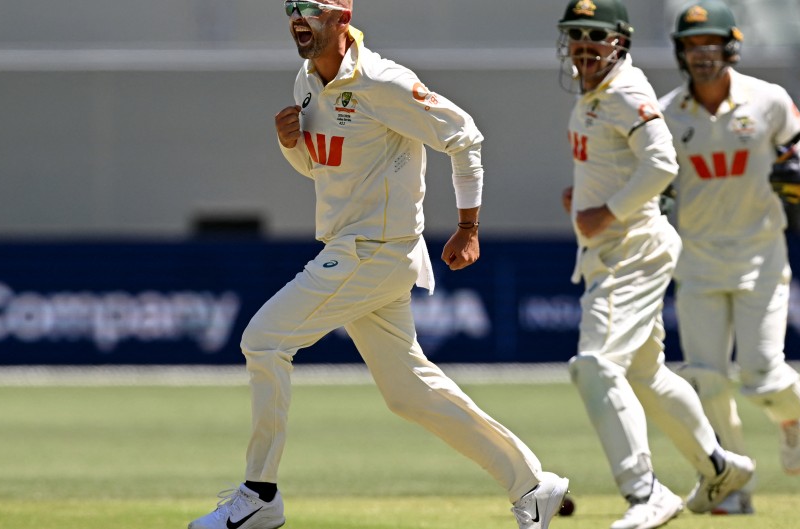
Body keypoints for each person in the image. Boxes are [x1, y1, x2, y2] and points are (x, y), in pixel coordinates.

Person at [188, 2, 571, 529]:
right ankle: (532, 485)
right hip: (357, 250)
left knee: (264, 341)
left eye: (311, 9)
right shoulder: (306, 80)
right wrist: (290, 144)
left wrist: (468, 226)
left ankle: (260, 496)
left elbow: (464, 136)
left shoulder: (383, 81)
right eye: (292, 7)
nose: (298, 17)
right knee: (408, 392)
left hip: (373, 250)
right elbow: (320, 168)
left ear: (341, 18)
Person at [554, 1, 754, 528]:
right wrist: (583, 200)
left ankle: (645, 492)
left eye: (596, 35)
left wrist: (607, 211)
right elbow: (618, 164)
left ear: (619, 41)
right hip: (615, 250)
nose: (584, 46)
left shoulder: (625, 91)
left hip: (631, 251)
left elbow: (662, 163)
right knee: (646, 375)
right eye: (575, 35)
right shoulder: (595, 95)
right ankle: (719, 467)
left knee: (595, 366)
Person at [659, 0, 800, 515]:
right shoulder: (666, 113)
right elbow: (656, 182)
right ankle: (731, 487)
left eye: (710, 43)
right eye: (692, 45)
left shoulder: (767, 100)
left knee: (763, 376)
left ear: (730, 47)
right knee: (706, 380)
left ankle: (793, 417)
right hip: (697, 260)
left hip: (760, 256)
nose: (701, 54)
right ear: (680, 52)